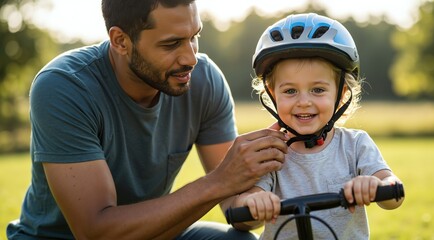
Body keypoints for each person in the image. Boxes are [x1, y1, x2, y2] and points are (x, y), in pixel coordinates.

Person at [6, 1, 289, 239]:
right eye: (172, 44)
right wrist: (219, 182)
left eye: (194, 37)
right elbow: (95, 231)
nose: (191, 57)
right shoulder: (64, 86)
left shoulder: (204, 80)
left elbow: (234, 209)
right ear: (121, 41)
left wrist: (254, 200)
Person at [230, 13, 405, 239]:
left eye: (318, 90)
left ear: (341, 94)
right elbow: (243, 207)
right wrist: (254, 201)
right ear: (273, 95)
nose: (304, 101)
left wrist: (375, 185)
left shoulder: (355, 145)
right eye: (290, 91)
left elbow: (394, 193)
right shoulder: (271, 152)